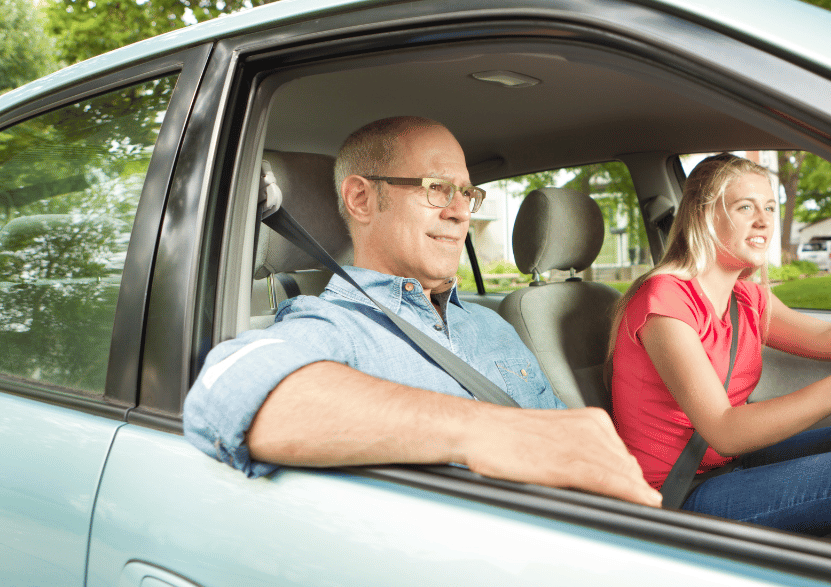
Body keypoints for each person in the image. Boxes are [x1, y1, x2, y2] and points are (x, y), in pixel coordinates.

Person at [184, 116, 660, 508]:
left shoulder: (492, 325)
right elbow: (226, 389)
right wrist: (485, 430)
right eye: (437, 188)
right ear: (361, 199)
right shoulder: (333, 326)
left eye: (468, 194)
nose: (460, 213)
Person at [609, 153, 831, 552]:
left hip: (728, 465)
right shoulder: (664, 301)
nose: (764, 221)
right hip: (675, 496)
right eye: (744, 207)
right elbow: (725, 430)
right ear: (703, 216)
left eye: (769, 207)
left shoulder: (745, 297)